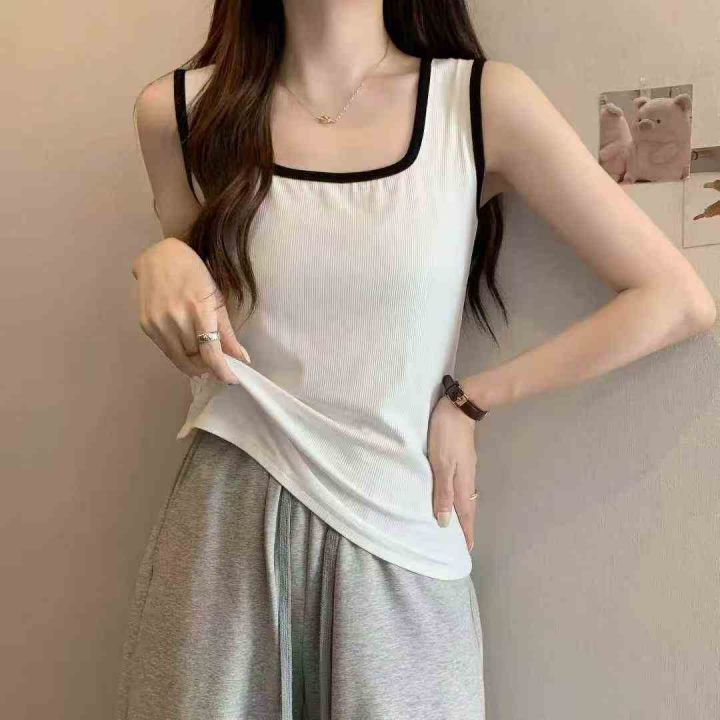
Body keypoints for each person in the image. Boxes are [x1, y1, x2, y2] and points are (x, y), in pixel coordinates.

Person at [115, 1, 717, 718]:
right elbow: (200, 331)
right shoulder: (178, 114)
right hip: (224, 538)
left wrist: (472, 399)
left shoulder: (478, 103)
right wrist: (161, 256)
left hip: (400, 537)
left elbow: (675, 299)